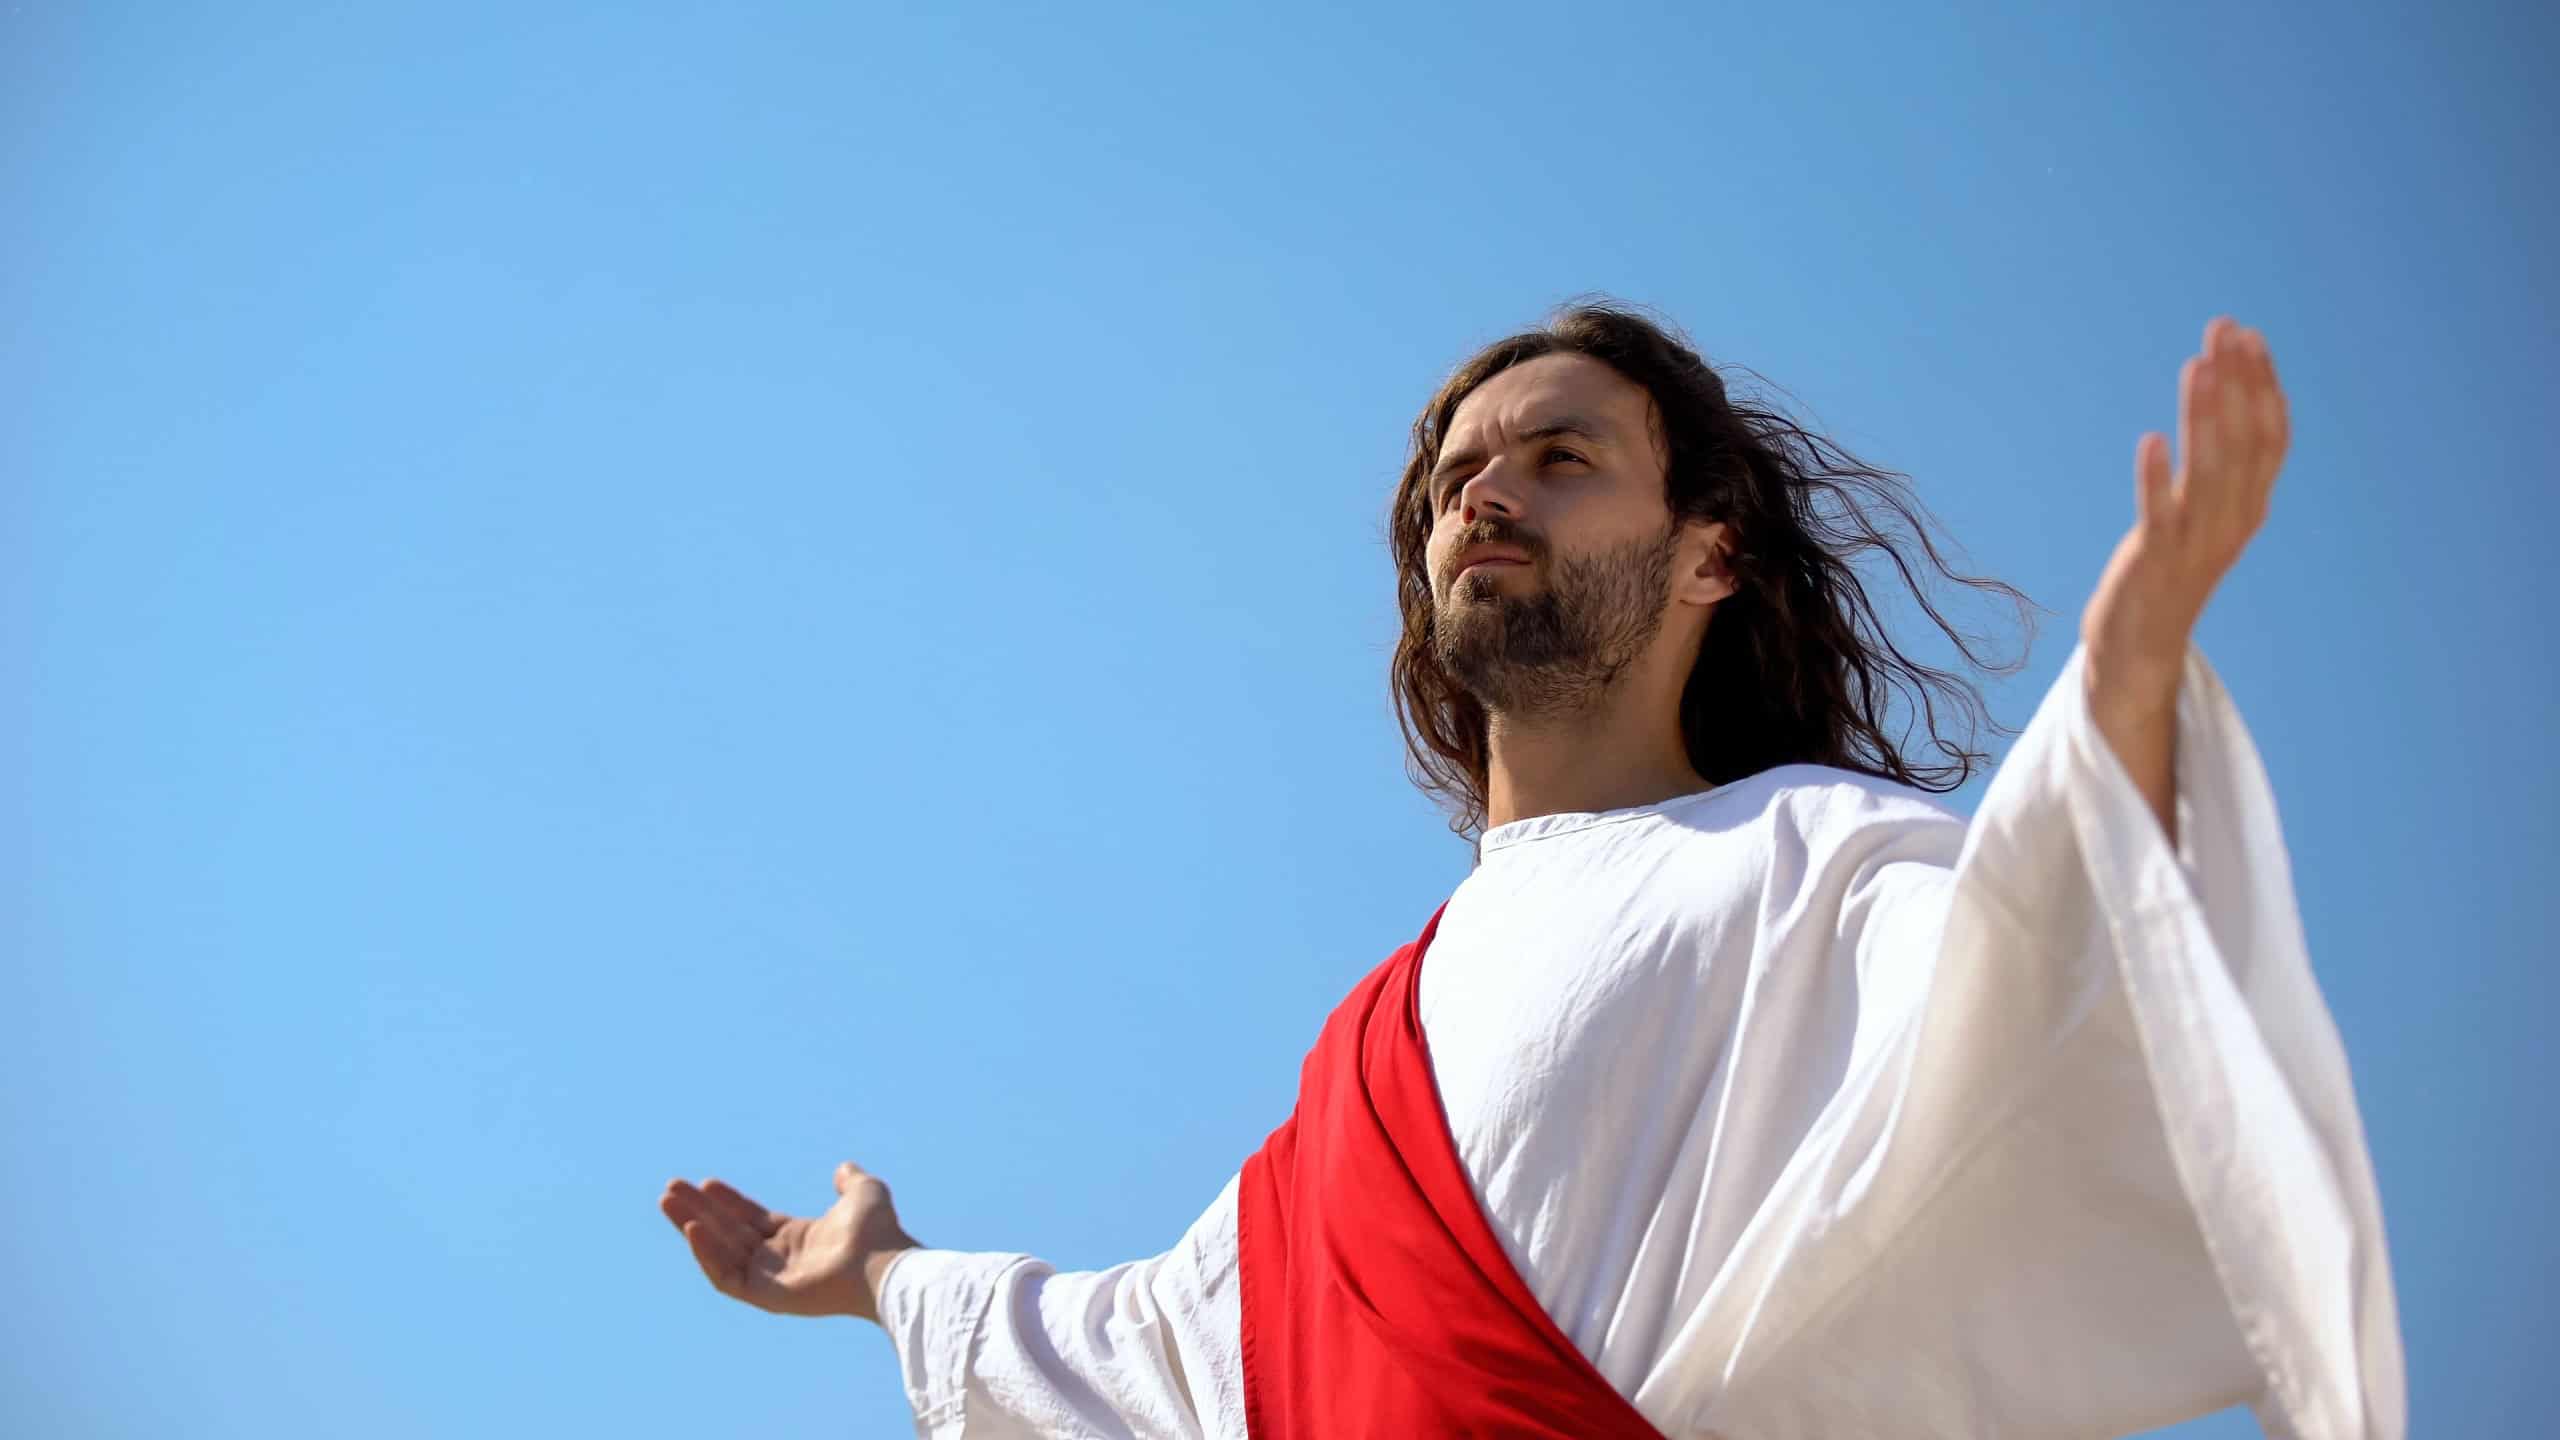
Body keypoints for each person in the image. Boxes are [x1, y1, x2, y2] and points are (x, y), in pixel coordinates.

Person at [657, 303, 2403, 1439]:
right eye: (1456, 480)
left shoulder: (1816, 855)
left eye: (1561, 460)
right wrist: (885, 1275)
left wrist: (2124, 708)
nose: (1484, 497)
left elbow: (2051, 1019)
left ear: (1711, 550)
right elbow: (1165, 1358)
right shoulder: (1372, 1040)